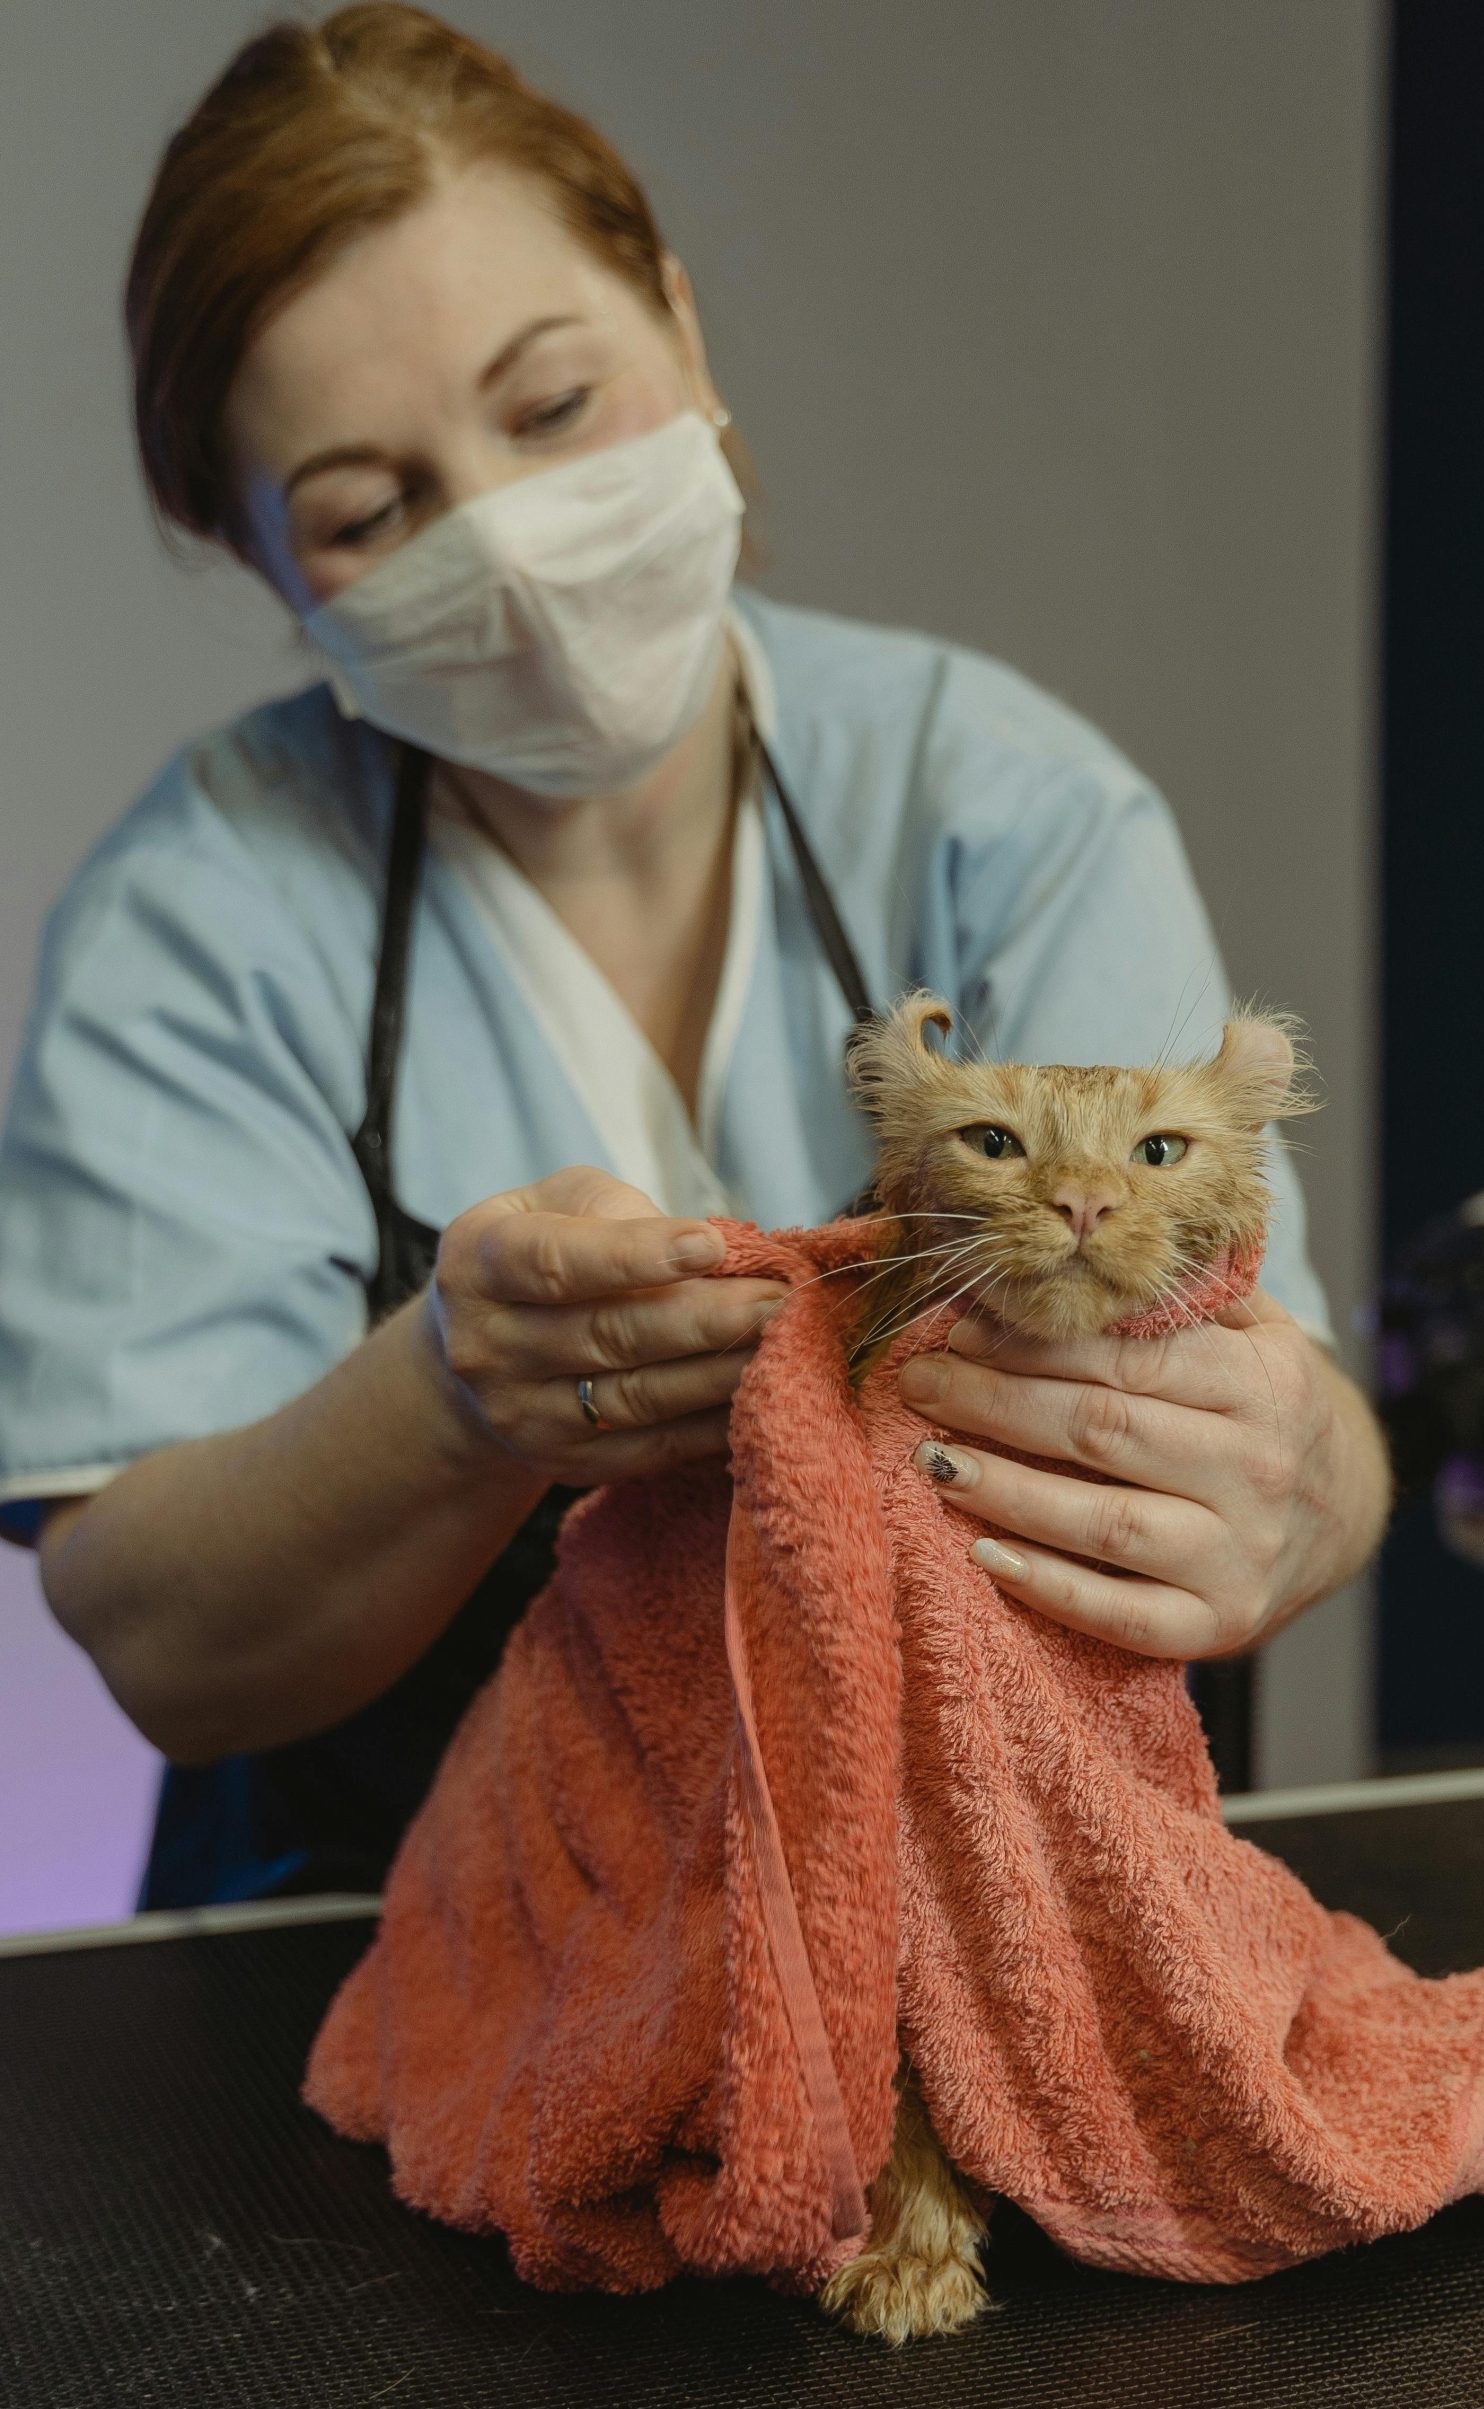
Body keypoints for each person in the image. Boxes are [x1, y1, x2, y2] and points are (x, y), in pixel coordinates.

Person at [0, 4, 1391, 1911]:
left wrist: (1316, 1481)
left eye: (555, 408)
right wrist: (455, 1407)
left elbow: (1276, 1399)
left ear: (680, 320)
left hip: (983, 1911)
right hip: (376, 1953)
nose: (504, 543)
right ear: (263, 567)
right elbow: (163, 1643)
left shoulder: (1001, 802)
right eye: (365, 509)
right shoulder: (206, 916)